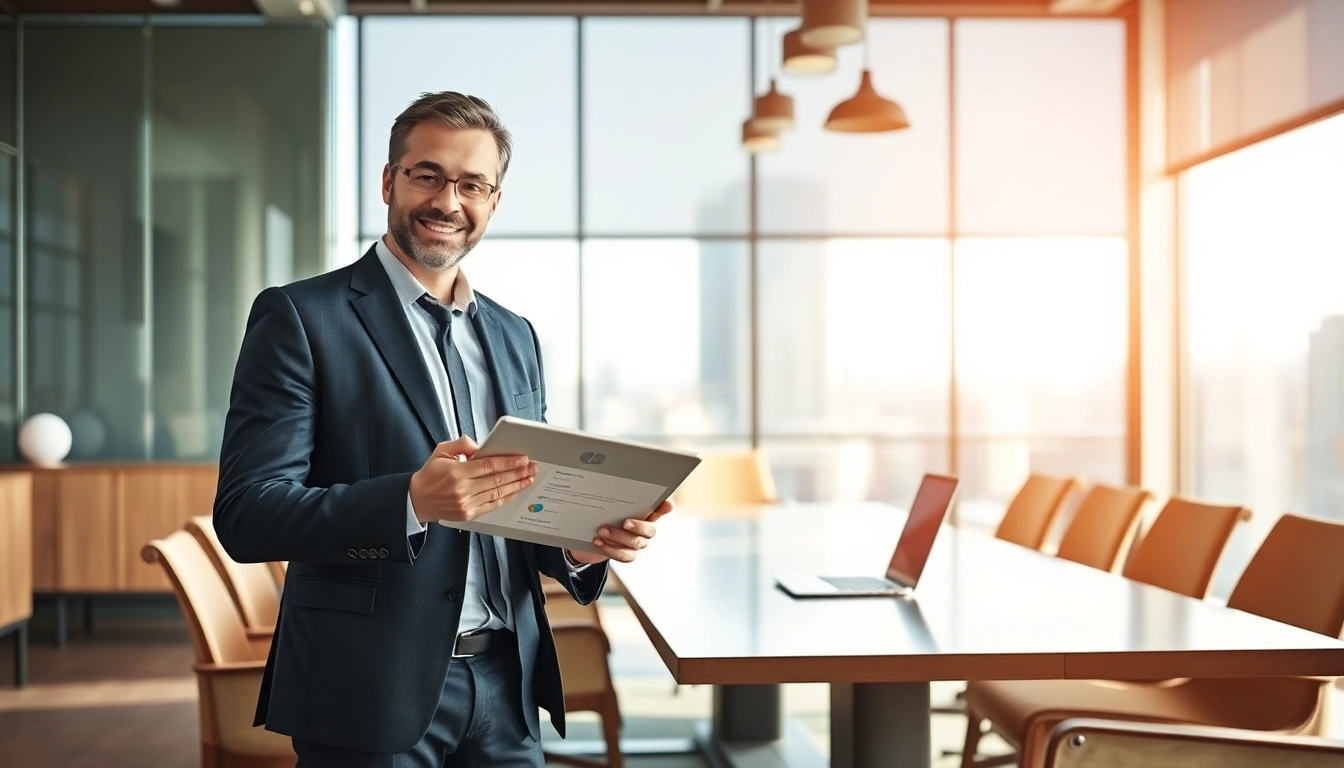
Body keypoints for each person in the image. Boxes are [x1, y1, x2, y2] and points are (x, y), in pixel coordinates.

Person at [213, 90, 670, 767]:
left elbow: (522, 509)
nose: (447, 201)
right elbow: (247, 515)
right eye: (427, 174)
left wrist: (586, 543)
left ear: (494, 200)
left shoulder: (515, 336)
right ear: (389, 181)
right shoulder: (301, 318)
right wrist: (410, 502)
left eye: (471, 183)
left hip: (506, 688)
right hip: (368, 689)